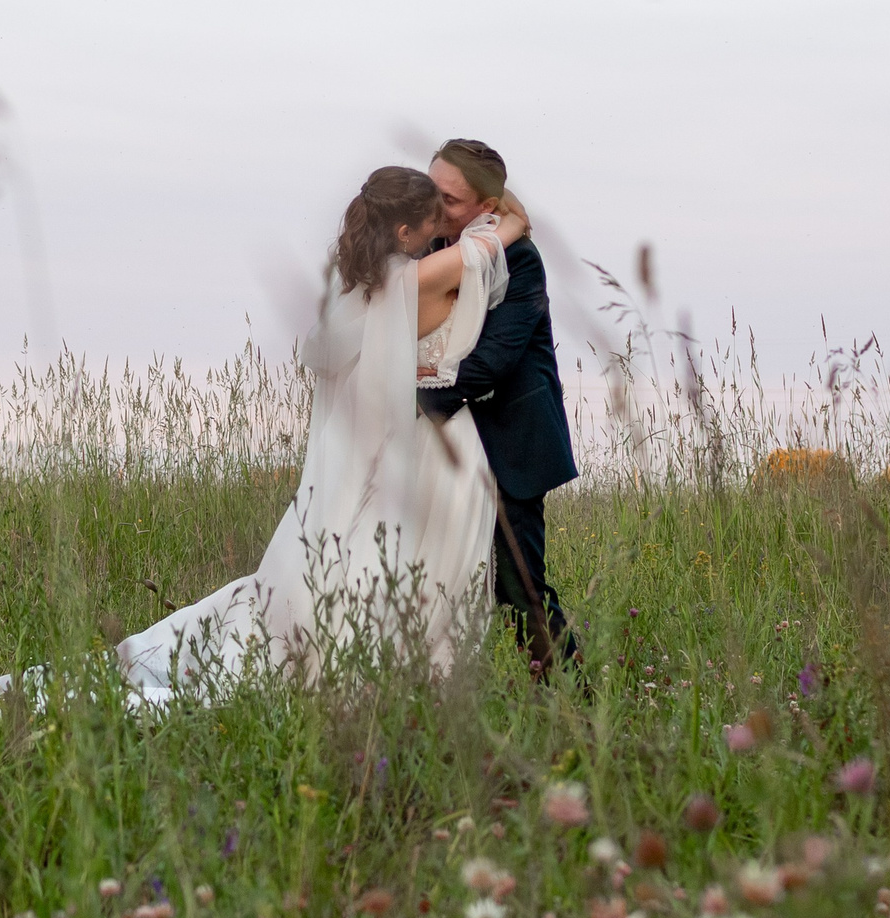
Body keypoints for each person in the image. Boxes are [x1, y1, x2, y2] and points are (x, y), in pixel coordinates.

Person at [104, 166, 529, 708]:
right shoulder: (409, 279)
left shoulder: (357, 278)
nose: (441, 223)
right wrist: (505, 215)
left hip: (356, 444)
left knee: (349, 558)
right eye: (432, 216)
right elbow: (492, 241)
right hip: (416, 444)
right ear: (405, 233)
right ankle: (391, 672)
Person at [417, 139, 582, 680]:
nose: (432, 206)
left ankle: (573, 702)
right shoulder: (420, 254)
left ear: (487, 208)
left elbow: (490, 364)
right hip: (436, 451)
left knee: (519, 588)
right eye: (429, 188)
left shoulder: (521, 260)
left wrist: (403, 399)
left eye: (449, 200)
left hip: (510, 443)